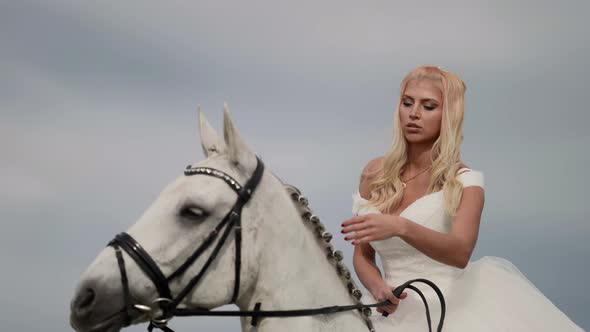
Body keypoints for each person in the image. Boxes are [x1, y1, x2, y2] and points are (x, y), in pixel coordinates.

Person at [340, 65, 583, 331]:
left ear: (449, 115)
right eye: (407, 103)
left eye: (429, 106)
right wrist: (377, 288)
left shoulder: (466, 182)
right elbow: (362, 255)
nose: (414, 114)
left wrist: (400, 227)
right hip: (390, 317)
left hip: (452, 311)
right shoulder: (375, 173)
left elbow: (460, 252)